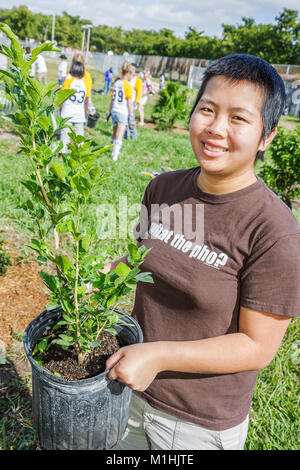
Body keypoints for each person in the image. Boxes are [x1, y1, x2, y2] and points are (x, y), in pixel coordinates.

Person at [104, 54, 300, 450]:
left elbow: (256, 346)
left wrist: (157, 356)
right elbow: (141, 258)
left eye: (238, 118)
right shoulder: (163, 189)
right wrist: (105, 274)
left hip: (196, 422)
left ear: (267, 136)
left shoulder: (275, 231)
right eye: (207, 109)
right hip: (129, 388)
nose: (215, 129)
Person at [106, 61, 134, 161]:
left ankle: (112, 149)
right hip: (122, 111)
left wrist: (108, 111)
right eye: (132, 75)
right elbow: (129, 103)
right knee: (119, 134)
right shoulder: (127, 86)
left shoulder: (116, 83)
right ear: (129, 73)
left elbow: (112, 99)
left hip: (114, 110)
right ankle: (115, 155)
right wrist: (131, 117)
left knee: (114, 133)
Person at [60, 61, 89, 153]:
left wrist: (59, 107)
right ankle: (79, 154)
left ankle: (61, 154)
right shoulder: (85, 83)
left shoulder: (69, 80)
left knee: (65, 135)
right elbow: (86, 100)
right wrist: (86, 112)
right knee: (79, 136)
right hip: (79, 113)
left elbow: (62, 95)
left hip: (67, 112)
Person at [124, 63, 143, 140]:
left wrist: (136, 102)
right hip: (125, 103)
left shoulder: (137, 80)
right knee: (125, 120)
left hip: (132, 103)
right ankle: (126, 135)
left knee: (131, 120)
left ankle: (134, 136)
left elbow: (139, 92)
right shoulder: (126, 78)